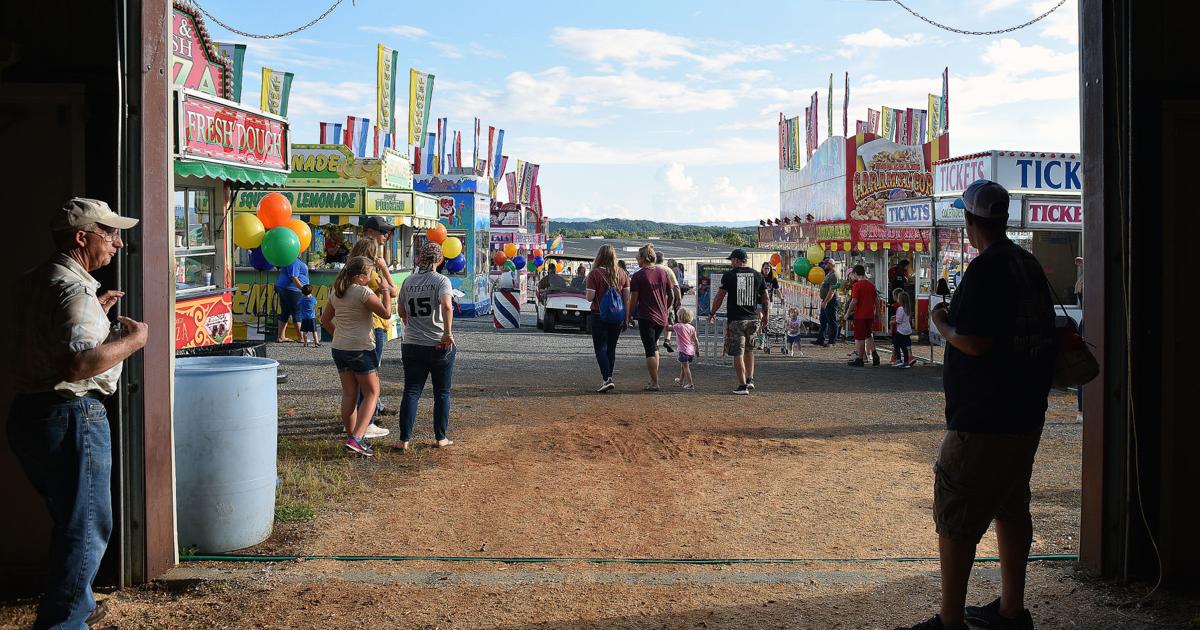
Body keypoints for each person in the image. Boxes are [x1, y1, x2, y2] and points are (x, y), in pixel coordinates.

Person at [901, 180, 1055, 630]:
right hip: (1025, 414)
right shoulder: (1027, 265)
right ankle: (1012, 609)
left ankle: (951, 620)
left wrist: (941, 323)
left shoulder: (985, 269)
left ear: (971, 223)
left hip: (983, 418)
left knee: (956, 516)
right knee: (1011, 507)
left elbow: (975, 341)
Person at [10, 198, 146, 628]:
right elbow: (78, 365)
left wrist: (95, 316)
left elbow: (48, 342)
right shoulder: (75, 290)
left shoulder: (35, 280)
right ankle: (64, 621)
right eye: (109, 234)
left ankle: (78, 604)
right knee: (86, 525)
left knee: (71, 518)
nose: (118, 243)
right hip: (72, 415)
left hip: (29, 413)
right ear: (81, 237)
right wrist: (134, 341)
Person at [320, 256, 393, 456]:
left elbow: (325, 319)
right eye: (369, 275)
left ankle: (352, 437)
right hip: (360, 347)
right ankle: (357, 437)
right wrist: (385, 289)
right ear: (361, 276)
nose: (371, 278)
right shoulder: (363, 292)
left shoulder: (337, 292)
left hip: (339, 347)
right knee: (372, 392)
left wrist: (339, 335)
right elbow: (386, 313)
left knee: (349, 393)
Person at [396, 242, 457, 450]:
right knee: (442, 392)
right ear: (439, 260)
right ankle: (441, 438)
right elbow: (447, 305)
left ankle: (404, 439)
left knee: (411, 391)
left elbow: (401, 309)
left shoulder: (408, 281)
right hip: (437, 343)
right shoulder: (442, 280)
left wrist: (409, 323)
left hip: (412, 342)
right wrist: (447, 333)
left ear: (420, 258)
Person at [348, 238, 398, 438]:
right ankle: (366, 423)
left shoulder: (348, 275)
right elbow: (393, 291)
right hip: (374, 326)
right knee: (369, 380)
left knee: (353, 382)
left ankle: (355, 422)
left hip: (351, 330)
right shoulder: (372, 274)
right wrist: (385, 268)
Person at [708, 248, 769, 395]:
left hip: (736, 320)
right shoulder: (758, 275)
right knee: (749, 350)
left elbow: (719, 296)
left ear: (736, 260)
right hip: (753, 319)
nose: (731, 264)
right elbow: (766, 298)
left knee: (738, 353)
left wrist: (712, 312)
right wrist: (765, 315)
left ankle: (742, 386)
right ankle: (750, 380)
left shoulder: (729, 276)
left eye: (732, 261)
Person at [627, 244, 678, 391]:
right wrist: (666, 308)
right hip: (661, 317)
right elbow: (672, 295)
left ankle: (655, 382)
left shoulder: (638, 276)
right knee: (654, 346)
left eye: (638, 257)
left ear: (643, 258)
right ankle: (653, 379)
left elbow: (634, 300)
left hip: (646, 317)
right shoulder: (663, 273)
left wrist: (628, 316)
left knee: (649, 348)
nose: (636, 259)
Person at [585, 245, 630, 392]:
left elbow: (589, 298)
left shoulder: (594, 274)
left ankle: (607, 378)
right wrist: (626, 318)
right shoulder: (622, 274)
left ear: (599, 256)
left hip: (599, 315)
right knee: (611, 348)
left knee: (600, 349)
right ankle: (609, 376)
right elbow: (626, 299)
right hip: (617, 316)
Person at [846, 264, 880, 367]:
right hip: (870, 314)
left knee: (860, 338)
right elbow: (876, 300)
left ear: (856, 273)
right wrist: (877, 312)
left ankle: (860, 358)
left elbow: (854, 301)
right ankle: (875, 355)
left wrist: (847, 313)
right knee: (868, 335)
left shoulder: (857, 286)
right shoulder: (871, 285)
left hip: (860, 315)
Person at [275, 255, 310, 342]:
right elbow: (294, 278)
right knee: (297, 312)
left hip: (286, 288)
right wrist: (303, 289)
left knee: (285, 312)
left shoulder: (291, 260)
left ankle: (281, 337)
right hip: (292, 289)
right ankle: (302, 338)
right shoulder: (293, 261)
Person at [655, 251, 681, 352]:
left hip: (654, 299)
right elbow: (676, 286)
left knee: (655, 322)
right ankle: (667, 340)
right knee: (669, 319)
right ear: (663, 260)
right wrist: (678, 299)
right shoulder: (667, 270)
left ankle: (655, 343)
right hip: (667, 299)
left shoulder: (650, 269)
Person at [813, 258, 839, 347]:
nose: (824, 265)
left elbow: (832, 291)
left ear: (831, 264)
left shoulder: (834, 276)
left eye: (826, 264)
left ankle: (832, 341)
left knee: (831, 321)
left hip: (830, 301)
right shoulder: (829, 274)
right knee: (823, 321)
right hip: (825, 300)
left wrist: (826, 301)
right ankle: (820, 339)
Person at [672, 307, 699, 389]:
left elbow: (668, 328)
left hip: (683, 351)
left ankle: (690, 384)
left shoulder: (678, 326)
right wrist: (697, 350)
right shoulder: (692, 327)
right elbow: (696, 340)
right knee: (683, 366)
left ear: (679, 317)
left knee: (686, 367)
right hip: (691, 351)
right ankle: (680, 380)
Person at [890, 288, 913, 368]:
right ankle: (906, 362)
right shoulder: (908, 308)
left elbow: (898, 320)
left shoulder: (900, 308)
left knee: (896, 343)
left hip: (901, 330)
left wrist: (892, 322)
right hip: (907, 330)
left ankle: (898, 359)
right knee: (904, 346)